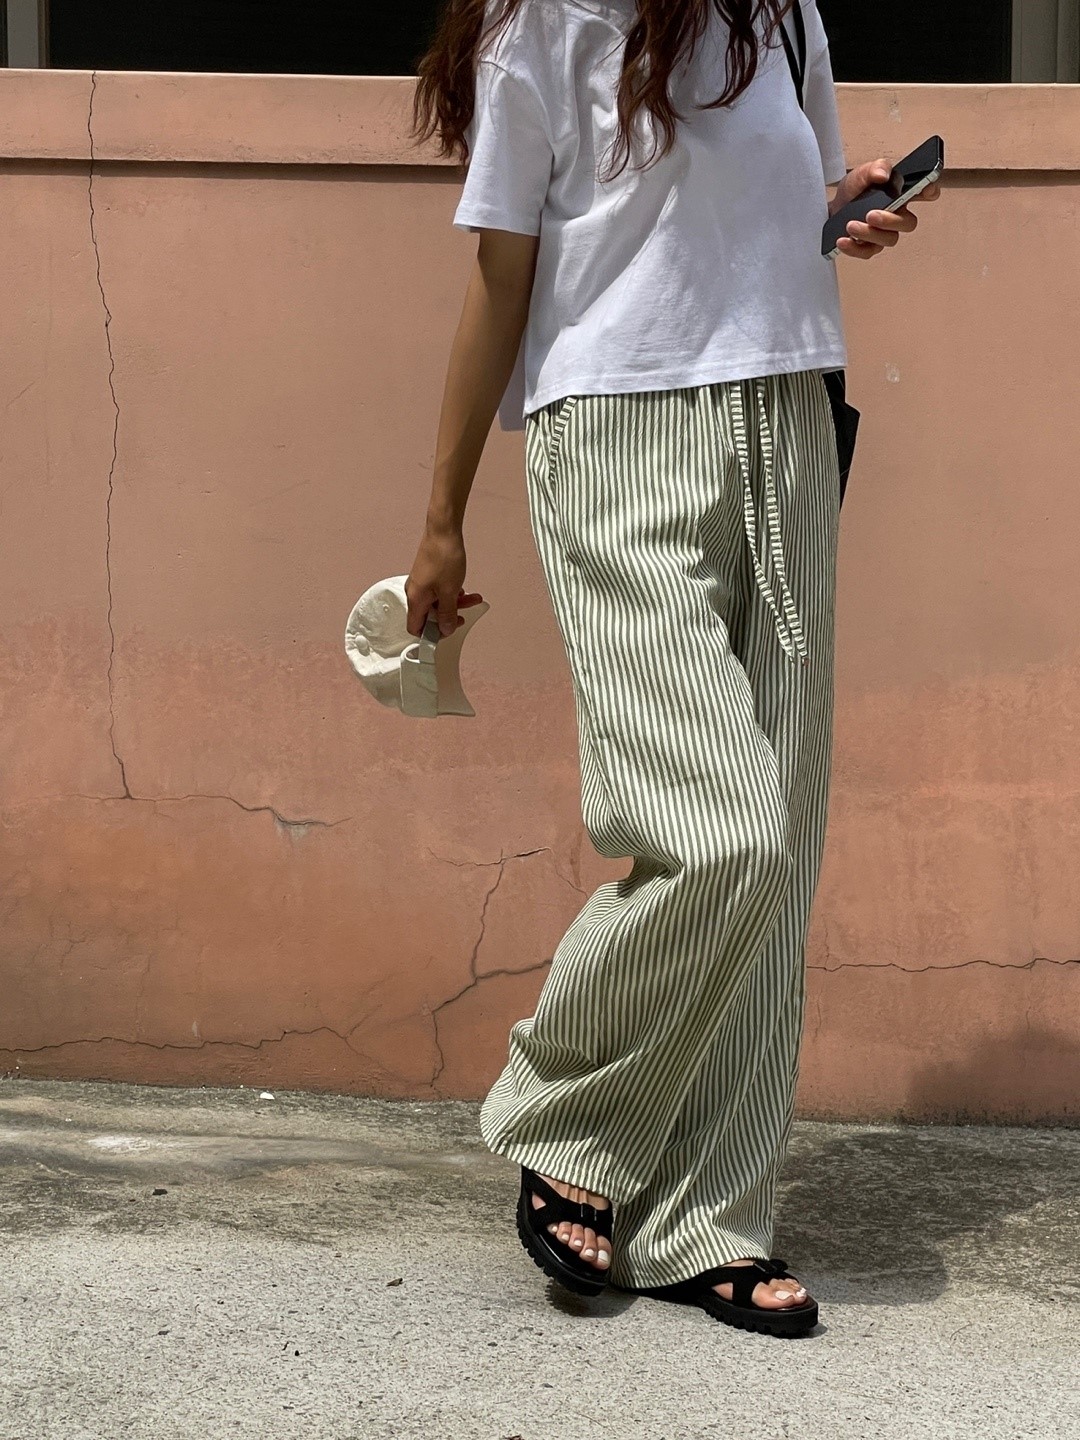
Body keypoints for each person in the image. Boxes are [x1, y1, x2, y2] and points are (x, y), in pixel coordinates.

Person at [407, 0, 940, 1338]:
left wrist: (849, 210)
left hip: (789, 416)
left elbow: (787, 211)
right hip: (616, 433)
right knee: (721, 828)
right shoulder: (541, 25)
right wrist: (442, 515)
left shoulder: (783, 15)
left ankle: (707, 1219)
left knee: (781, 843)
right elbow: (500, 278)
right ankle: (567, 1119)